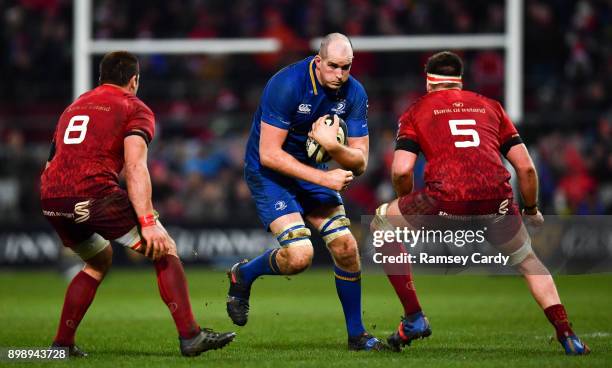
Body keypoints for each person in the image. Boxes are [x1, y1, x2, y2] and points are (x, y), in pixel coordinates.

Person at [372, 51, 590, 355]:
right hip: (497, 201)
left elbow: (401, 169)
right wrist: (530, 209)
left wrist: (406, 202)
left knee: (381, 224)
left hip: (444, 199)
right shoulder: (491, 106)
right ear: (459, 81)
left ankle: (414, 317)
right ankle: (568, 335)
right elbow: (526, 167)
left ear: (429, 82)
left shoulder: (416, 111)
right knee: (528, 260)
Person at [40, 51, 235, 357]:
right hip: (93, 193)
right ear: (133, 80)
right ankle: (191, 336)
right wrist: (147, 222)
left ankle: (61, 345)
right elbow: (134, 167)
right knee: (164, 248)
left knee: (98, 261)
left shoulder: (74, 106)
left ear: (101, 78)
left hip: (51, 196)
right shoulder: (133, 106)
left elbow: (52, 160)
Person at [226, 33, 384, 351]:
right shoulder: (286, 85)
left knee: (346, 247)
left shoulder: (354, 92)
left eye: (346, 67)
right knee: (300, 257)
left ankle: (357, 335)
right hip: (269, 173)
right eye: (333, 66)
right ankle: (243, 275)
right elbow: (269, 153)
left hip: (310, 175)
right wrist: (325, 179)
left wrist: (330, 145)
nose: (340, 74)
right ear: (318, 61)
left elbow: (361, 161)